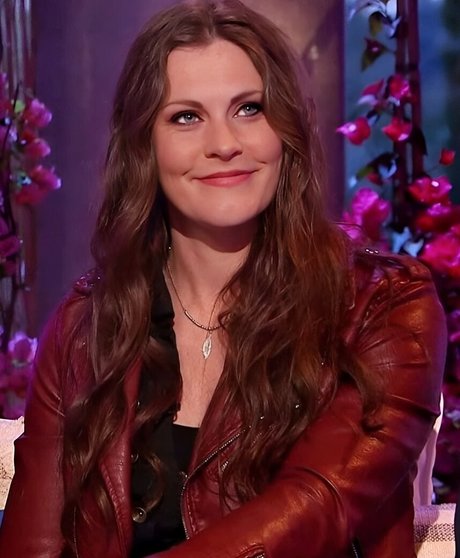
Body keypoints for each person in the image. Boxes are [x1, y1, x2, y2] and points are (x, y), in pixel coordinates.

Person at [0, 1, 447, 557]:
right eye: (186, 117)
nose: (224, 143)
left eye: (249, 109)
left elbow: (315, 506)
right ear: (144, 145)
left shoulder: (384, 306)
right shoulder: (84, 327)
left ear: (285, 130)